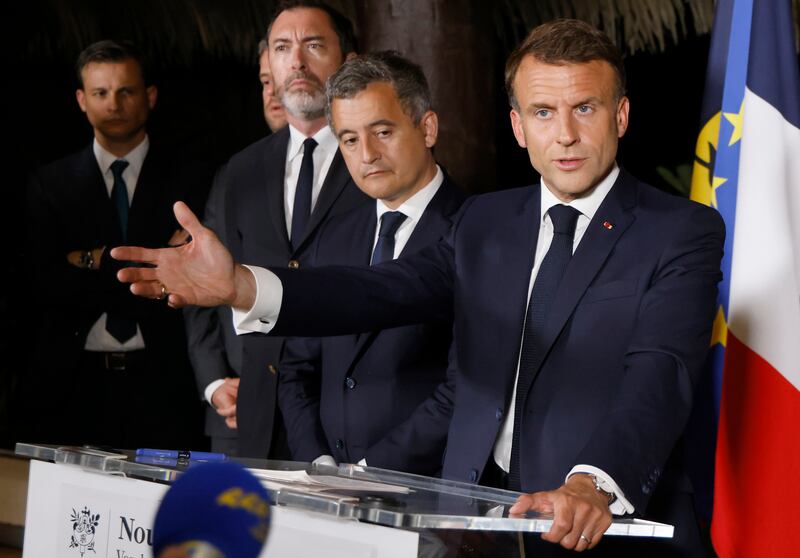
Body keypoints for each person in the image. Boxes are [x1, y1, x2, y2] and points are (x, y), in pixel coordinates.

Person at [113, 19, 724, 555]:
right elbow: (381, 291)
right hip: (470, 527)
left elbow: (660, 373)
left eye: (583, 108)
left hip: (597, 527)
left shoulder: (680, 230)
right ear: (517, 126)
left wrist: (592, 483)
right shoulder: (486, 221)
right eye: (543, 112)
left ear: (620, 115)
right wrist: (243, 286)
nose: (563, 134)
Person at [188, 0, 369, 460]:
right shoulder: (242, 170)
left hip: (347, 419)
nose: (297, 61)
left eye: (313, 45)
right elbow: (213, 284)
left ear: (347, 62)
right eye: (282, 47)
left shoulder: (375, 160)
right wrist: (215, 382)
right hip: (253, 419)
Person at [279, 51, 464, 472]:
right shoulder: (332, 236)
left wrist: (369, 471)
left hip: (424, 489)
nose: (367, 154)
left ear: (428, 127)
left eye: (382, 131)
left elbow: (466, 387)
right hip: (327, 488)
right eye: (348, 138)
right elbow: (297, 368)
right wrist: (318, 462)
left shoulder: (475, 232)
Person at [22, 40, 208, 449]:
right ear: (81, 100)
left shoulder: (192, 179)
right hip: (71, 384)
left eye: (126, 91)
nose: (114, 103)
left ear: (150, 96)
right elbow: (45, 285)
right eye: (100, 93)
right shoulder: (50, 184)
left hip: (165, 382)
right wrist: (155, 260)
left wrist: (91, 259)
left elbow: (189, 280)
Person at [183, 37, 288, 456]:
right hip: (235, 411)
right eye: (265, 80)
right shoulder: (235, 173)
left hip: (324, 418)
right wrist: (214, 384)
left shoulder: (357, 168)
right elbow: (201, 288)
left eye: (280, 79)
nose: (273, 91)